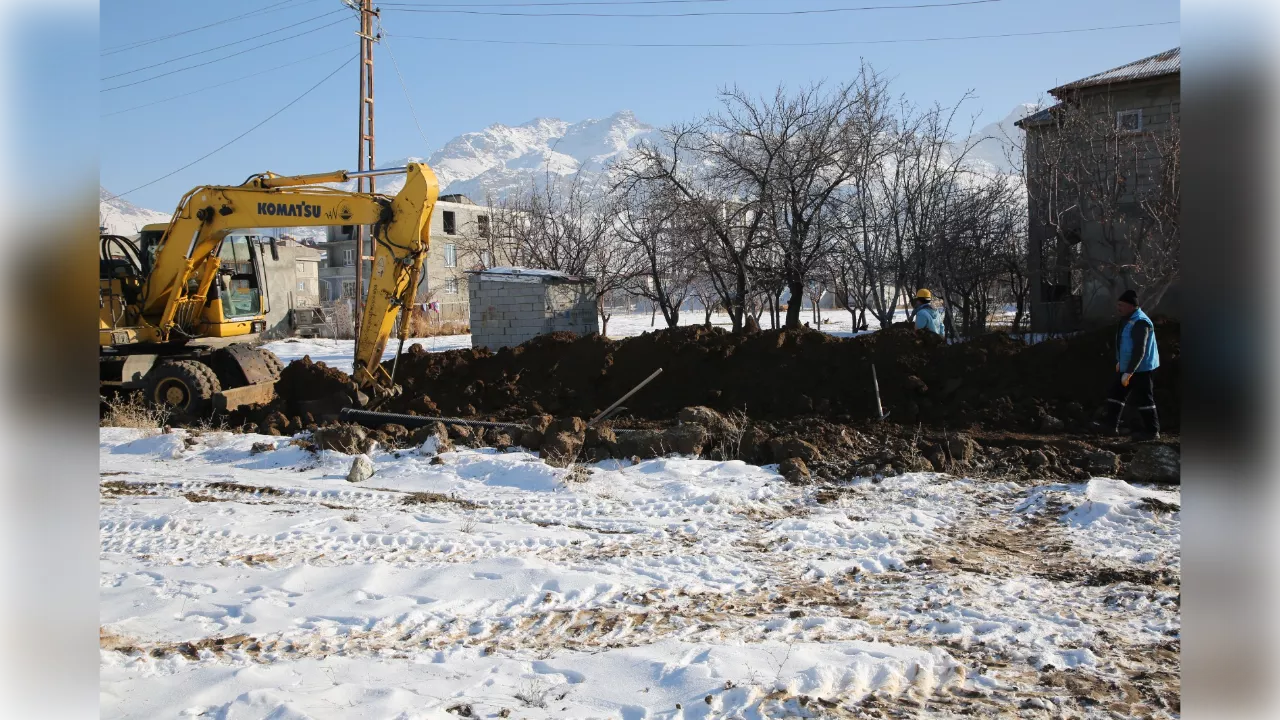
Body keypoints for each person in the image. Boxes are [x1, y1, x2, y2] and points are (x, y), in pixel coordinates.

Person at [1102, 289, 1161, 439]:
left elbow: (1139, 350)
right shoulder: (1127, 319)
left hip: (1142, 368)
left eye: (1121, 305)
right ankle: (1110, 427)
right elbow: (1123, 344)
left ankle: (1152, 431)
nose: (1118, 308)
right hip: (1128, 366)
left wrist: (1129, 372)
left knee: (1144, 399)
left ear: (1131, 306)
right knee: (1116, 394)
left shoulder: (1140, 322)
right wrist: (1120, 362)